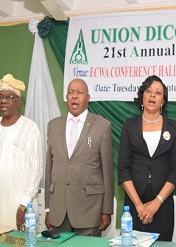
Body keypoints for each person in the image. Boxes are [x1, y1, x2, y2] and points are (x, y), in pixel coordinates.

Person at [44, 78, 114, 236]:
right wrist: (48, 208)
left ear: (87, 98)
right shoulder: (53, 125)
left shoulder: (102, 126)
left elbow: (107, 172)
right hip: (59, 212)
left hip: (89, 211)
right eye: (71, 92)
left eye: (79, 92)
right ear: (66, 97)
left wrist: (106, 210)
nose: (74, 96)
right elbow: (49, 168)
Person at [117, 75, 176, 241]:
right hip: (133, 206)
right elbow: (123, 169)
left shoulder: (172, 127)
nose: (152, 95)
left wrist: (156, 203)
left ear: (163, 101)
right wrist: (139, 206)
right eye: (148, 91)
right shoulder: (129, 126)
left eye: (158, 93)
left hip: (162, 205)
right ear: (142, 96)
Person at [0, 74, 43, 231]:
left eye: (9, 97)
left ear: (18, 101)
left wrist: (24, 205)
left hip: (19, 209)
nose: (3, 101)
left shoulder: (30, 128)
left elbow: (36, 170)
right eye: (0, 97)